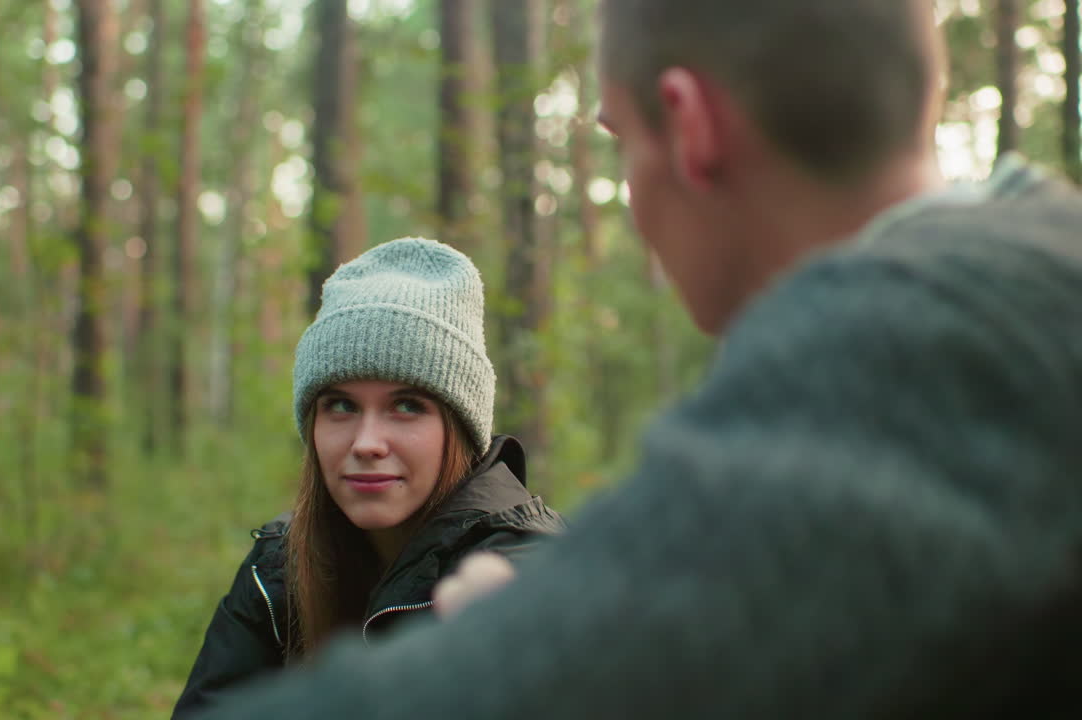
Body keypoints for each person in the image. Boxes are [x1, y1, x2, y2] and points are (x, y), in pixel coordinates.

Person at [184, 0, 1082, 717]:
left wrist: (526, 656)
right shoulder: (1034, 284)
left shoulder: (891, 371)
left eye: (618, 140)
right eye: (340, 405)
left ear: (689, 128)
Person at [171, 237, 564, 718]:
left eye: (406, 406)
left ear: (456, 428)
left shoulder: (529, 572)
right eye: (341, 405)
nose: (366, 442)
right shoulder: (279, 569)